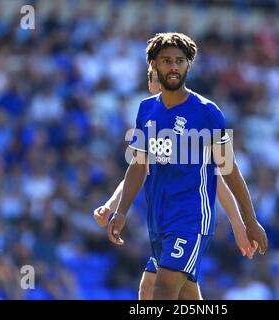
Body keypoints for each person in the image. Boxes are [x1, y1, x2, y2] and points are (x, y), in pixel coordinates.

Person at [106, 32, 267, 300]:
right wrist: (120, 211)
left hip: (191, 218)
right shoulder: (146, 110)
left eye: (179, 61)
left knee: (164, 288)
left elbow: (229, 169)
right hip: (158, 219)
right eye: (166, 60)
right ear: (154, 65)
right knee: (178, 295)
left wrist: (249, 221)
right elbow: (138, 166)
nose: (173, 66)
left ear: (188, 65)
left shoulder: (207, 112)